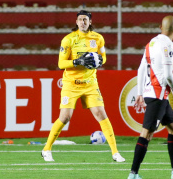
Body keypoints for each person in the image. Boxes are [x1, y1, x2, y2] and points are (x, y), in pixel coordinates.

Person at [41, 10, 125, 163]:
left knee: (101, 114)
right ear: (76, 22)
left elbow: (104, 57)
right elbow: (61, 63)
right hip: (71, 84)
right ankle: (46, 149)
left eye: (85, 20)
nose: (82, 22)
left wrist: (99, 60)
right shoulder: (68, 40)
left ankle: (115, 153)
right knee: (65, 117)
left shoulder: (98, 38)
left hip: (90, 84)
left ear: (90, 22)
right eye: (80, 19)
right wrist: (77, 61)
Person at [127, 15, 173, 179]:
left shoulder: (151, 43)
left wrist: (140, 93)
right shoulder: (168, 45)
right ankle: (133, 174)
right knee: (146, 134)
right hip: (157, 96)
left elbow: (141, 69)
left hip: (156, 95)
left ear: (160, 27)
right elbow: (168, 75)